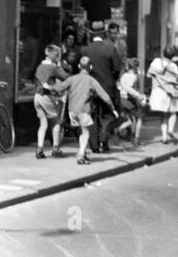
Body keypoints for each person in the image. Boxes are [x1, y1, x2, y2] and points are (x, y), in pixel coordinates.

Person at [60, 56, 117, 164]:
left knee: (82, 132)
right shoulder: (91, 80)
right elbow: (105, 96)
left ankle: (84, 153)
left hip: (72, 111)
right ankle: (81, 155)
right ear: (90, 67)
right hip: (83, 110)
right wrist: (112, 108)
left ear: (78, 66)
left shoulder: (72, 78)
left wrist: (48, 86)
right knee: (86, 133)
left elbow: (60, 88)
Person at [82, 21, 123, 152]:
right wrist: (112, 79)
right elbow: (117, 69)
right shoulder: (110, 48)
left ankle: (94, 145)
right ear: (104, 33)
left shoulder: (85, 50)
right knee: (107, 115)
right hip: (107, 87)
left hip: (90, 89)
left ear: (91, 34)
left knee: (92, 115)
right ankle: (102, 141)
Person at [33, 44, 70, 159]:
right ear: (55, 55)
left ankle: (39, 149)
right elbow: (66, 77)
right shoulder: (53, 67)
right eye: (57, 55)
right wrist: (60, 65)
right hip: (47, 97)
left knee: (43, 124)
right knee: (56, 122)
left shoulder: (39, 66)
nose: (58, 56)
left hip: (37, 97)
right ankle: (55, 148)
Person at [147, 45, 178, 144]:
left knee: (162, 114)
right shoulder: (174, 66)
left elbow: (149, 74)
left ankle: (164, 137)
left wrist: (158, 77)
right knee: (173, 112)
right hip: (171, 90)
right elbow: (176, 78)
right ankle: (170, 130)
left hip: (159, 91)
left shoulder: (157, 61)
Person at [118, 57, 147, 147]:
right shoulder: (133, 76)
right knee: (139, 118)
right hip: (129, 100)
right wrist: (138, 95)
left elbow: (120, 86)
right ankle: (136, 139)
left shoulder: (123, 75)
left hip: (122, 99)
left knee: (130, 120)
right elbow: (128, 88)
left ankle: (118, 130)